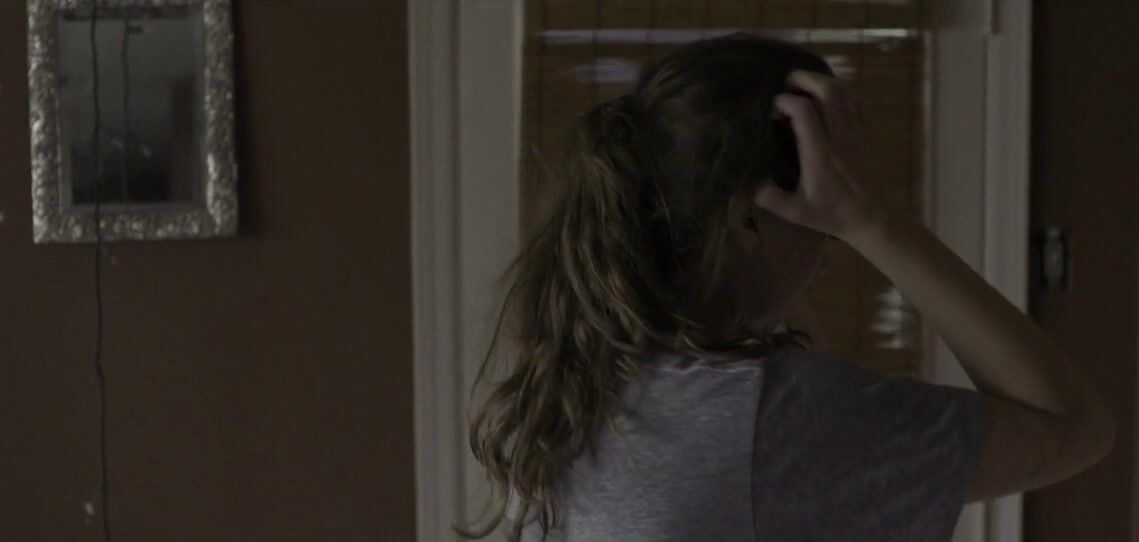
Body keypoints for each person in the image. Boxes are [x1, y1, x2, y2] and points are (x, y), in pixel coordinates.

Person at [461, 32, 1116, 541]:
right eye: (824, 223)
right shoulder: (773, 420)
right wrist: (876, 222)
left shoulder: (569, 386)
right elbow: (1072, 427)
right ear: (747, 220)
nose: (830, 249)